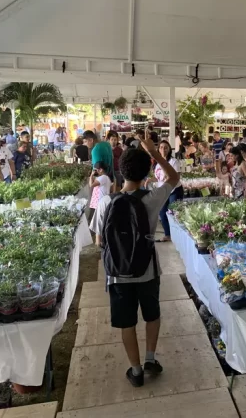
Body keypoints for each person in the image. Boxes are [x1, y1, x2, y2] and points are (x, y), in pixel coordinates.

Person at [90, 141, 179, 387]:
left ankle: (136, 370)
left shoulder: (107, 202)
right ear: (146, 173)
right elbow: (173, 177)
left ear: (121, 170)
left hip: (118, 275)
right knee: (152, 315)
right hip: (147, 270)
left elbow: (99, 241)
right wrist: (154, 154)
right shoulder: (152, 198)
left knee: (127, 322)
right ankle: (151, 358)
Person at [155, 140, 183, 242]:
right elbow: (159, 178)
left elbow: (176, 177)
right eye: (161, 147)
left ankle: (178, 235)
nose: (163, 149)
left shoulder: (173, 162)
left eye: (166, 147)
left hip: (174, 190)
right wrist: (151, 179)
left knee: (173, 213)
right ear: (158, 149)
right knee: (162, 213)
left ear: (169, 149)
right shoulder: (158, 163)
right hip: (164, 191)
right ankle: (168, 234)